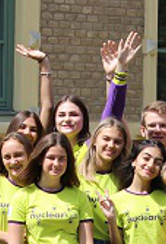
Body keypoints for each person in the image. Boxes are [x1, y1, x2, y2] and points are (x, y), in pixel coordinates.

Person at [7, 133, 94, 244]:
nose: (56, 163)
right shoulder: (22, 196)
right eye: (51, 158)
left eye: (62, 158)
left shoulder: (80, 197)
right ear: (40, 159)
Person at [17, 33, 137, 162]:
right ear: (54, 120)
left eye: (74, 114)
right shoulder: (45, 147)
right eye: (61, 115)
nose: (67, 119)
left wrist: (117, 73)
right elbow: (47, 106)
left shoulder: (90, 149)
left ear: (84, 120)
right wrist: (44, 62)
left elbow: (112, 114)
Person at [76, 117, 131, 244]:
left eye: (117, 141)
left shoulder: (125, 177)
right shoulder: (78, 174)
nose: (111, 145)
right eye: (106, 139)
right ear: (94, 141)